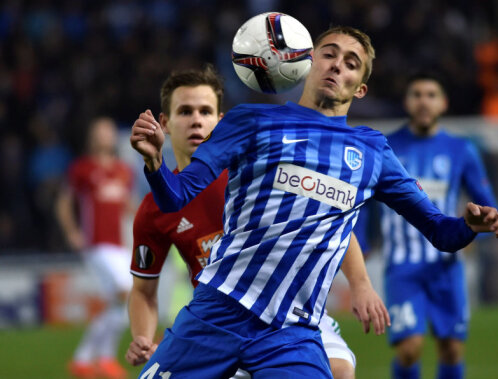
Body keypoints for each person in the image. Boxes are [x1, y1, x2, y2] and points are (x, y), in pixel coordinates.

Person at [130, 26, 498, 378]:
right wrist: (154, 162)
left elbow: (441, 232)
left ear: (359, 88)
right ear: (307, 63)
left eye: (351, 63)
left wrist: (468, 226)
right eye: (329, 54)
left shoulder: (372, 152)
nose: (337, 65)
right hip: (216, 313)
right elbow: (175, 195)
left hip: (291, 333)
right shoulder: (252, 121)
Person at [125, 66, 382, 379]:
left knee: (340, 372)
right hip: (217, 322)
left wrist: (361, 284)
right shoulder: (156, 208)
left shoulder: (257, 171)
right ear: (164, 123)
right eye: (185, 111)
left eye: (206, 111)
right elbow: (142, 291)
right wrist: (142, 336)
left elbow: (331, 222)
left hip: (290, 316)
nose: (196, 120)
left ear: (221, 121)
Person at [380, 71, 498, 379]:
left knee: (451, 349)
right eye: (416, 94)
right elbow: (364, 201)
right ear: (406, 103)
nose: (423, 101)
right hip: (402, 266)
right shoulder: (385, 147)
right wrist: (363, 243)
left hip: (447, 266)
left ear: (443, 103)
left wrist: (488, 226)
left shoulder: (462, 150)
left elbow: (486, 201)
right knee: (409, 349)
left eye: (431, 95)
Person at [56, 117, 134, 379]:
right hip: (96, 244)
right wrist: (71, 231)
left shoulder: (124, 170)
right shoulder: (82, 169)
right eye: (100, 131)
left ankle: (88, 359)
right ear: (92, 137)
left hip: (119, 246)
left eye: (109, 131)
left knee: (120, 306)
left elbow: (126, 205)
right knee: (125, 291)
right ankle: (103, 358)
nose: (105, 135)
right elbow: (64, 202)